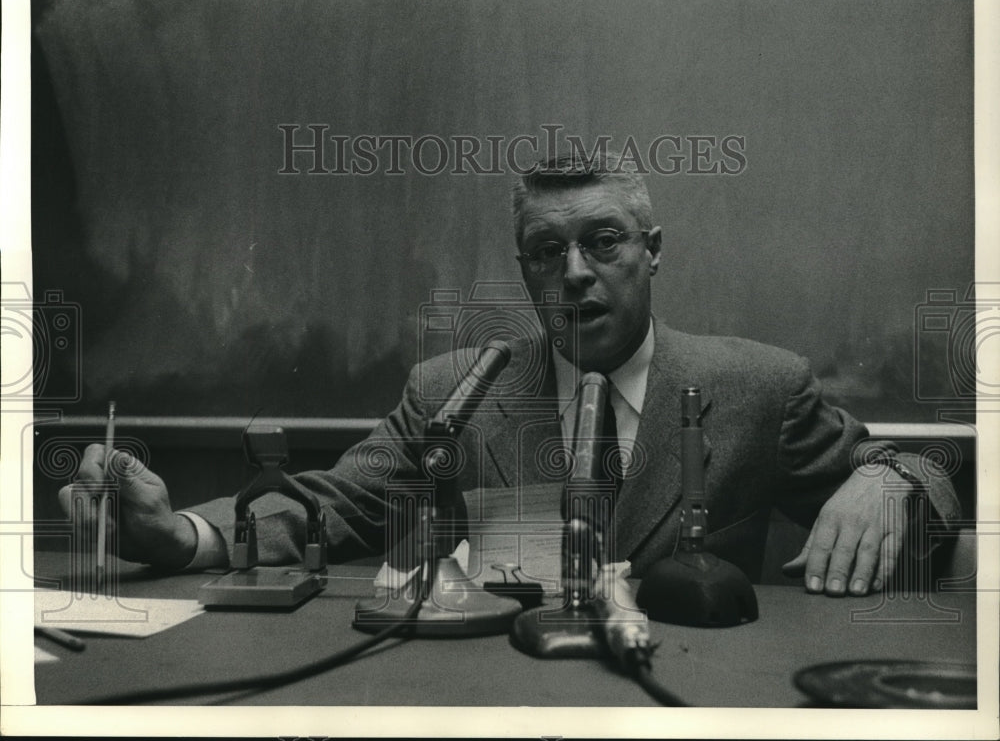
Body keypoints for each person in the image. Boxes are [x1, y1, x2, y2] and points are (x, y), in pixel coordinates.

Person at [62, 152, 959, 596]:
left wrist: (891, 478)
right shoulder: (455, 391)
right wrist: (179, 535)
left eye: (602, 242)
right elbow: (333, 502)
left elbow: (925, 476)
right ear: (525, 270)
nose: (574, 273)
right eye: (546, 251)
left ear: (652, 254)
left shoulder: (759, 386)